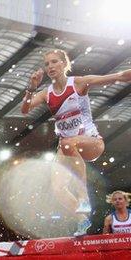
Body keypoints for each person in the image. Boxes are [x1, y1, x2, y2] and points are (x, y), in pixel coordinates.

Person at [22, 49, 131, 236]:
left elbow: (118, 77)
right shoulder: (46, 93)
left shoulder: (78, 83)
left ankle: (83, 197)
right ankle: (82, 220)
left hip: (92, 143)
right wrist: (32, 88)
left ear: (64, 63)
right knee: (58, 187)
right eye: (47, 64)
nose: (50, 67)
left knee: (66, 143)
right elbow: (25, 109)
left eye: (54, 62)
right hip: (67, 147)